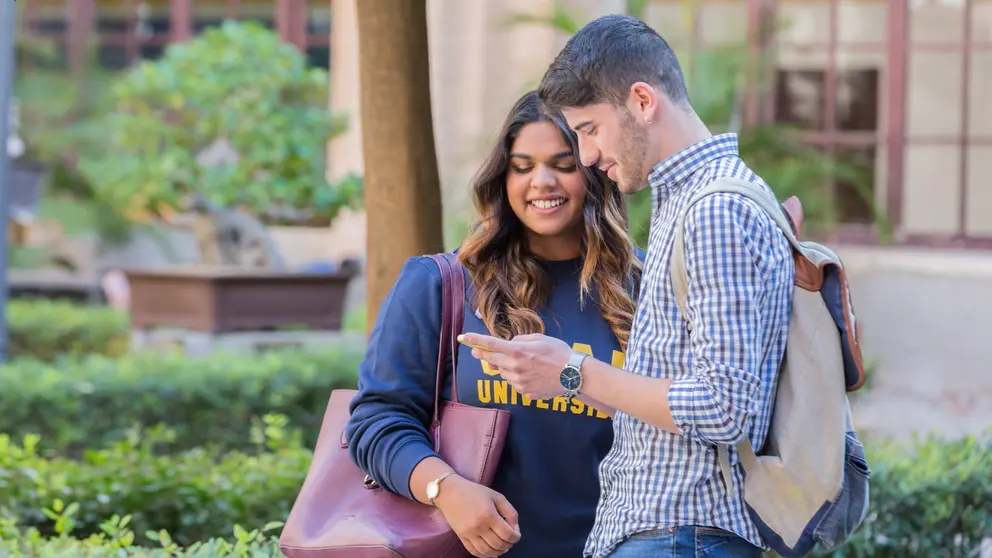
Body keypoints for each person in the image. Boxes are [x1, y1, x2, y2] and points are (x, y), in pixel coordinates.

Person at [459, 14, 796, 558]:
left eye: (589, 130)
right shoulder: (689, 201)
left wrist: (572, 369)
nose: (588, 156)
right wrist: (567, 381)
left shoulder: (712, 210)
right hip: (673, 534)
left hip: (682, 533)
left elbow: (724, 408)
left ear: (642, 101)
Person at [345, 90, 644, 558]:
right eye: (522, 167)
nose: (541, 182)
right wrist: (446, 489)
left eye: (563, 165)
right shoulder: (442, 285)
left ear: (594, 171)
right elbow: (376, 421)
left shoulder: (644, 289)